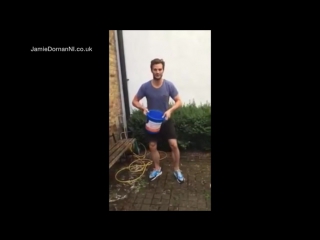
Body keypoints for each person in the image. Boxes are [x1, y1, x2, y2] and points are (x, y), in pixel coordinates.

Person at [132, 58, 185, 183]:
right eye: (155, 69)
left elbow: (179, 101)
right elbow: (134, 101)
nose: (157, 72)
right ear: (151, 70)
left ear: (163, 70)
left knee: (174, 145)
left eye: (160, 69)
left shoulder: (169, 85)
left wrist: (170, 111)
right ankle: (157, 168)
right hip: (152, 122)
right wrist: (142, 108)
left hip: (165, 120)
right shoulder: (145, 86)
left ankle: (177, 170)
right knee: (152, 146)